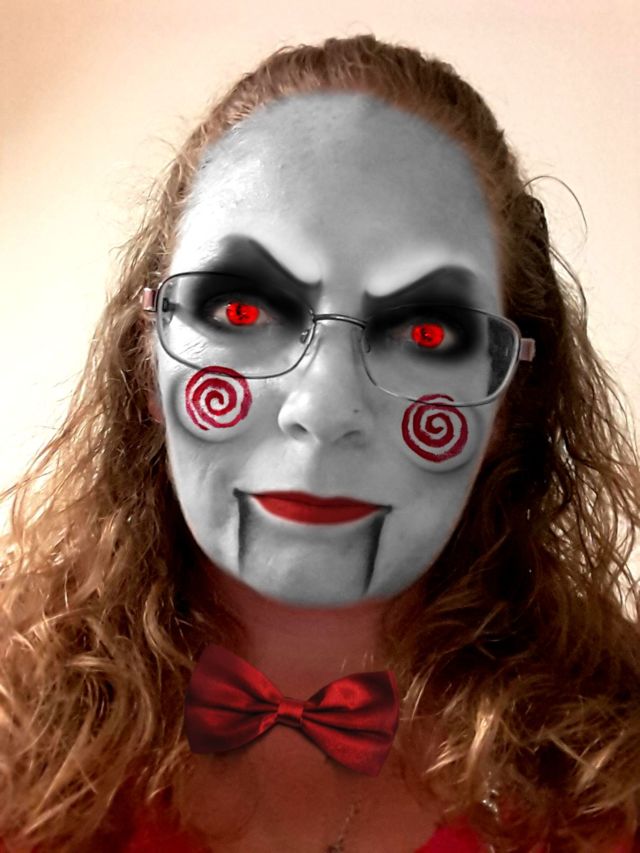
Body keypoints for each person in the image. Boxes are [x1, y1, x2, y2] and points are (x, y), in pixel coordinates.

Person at [1, 33, 639, 853]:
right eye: (241, 310)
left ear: (508, 404)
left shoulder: (615, 791)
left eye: (427, 329)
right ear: (147, 364)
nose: (324, 406)